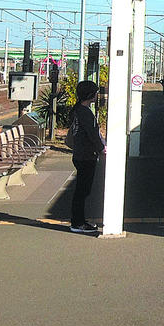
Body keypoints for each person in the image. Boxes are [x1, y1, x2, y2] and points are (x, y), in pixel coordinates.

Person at [67, 80, 105, 234]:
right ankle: (77, 223)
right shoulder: (85, 113)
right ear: (90, 94)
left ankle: (80, 221)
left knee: (82, 191)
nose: (97, 94)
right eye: (95, 92)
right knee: (82, 191)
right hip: (85, 156)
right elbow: (92, 134)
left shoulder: (78, 110)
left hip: (80, 154)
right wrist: (102, 149)